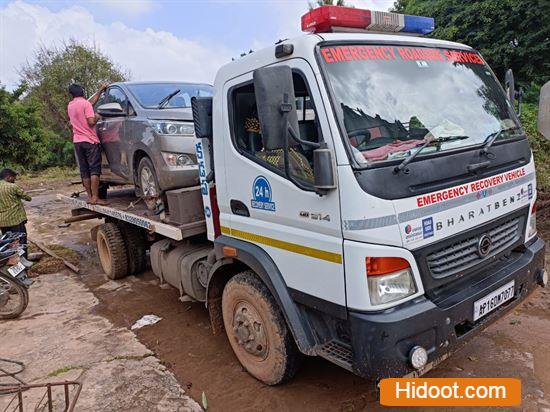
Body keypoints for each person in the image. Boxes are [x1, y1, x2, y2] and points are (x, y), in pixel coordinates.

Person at [67, 83, 109, 205]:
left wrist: (100, 91)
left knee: (84, 171)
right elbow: (91, 122)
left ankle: (90, 197)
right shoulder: (85, 104)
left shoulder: (71, 105)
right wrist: (97, 116)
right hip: (90, 141)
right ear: (82, 92)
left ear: (72, 94)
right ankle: (96, 198)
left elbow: (90, 103)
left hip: (77, 142)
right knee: (94, 170)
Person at [0, 168, 32, 248]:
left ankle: (7, 259)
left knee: (6, 241)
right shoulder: (13, 187)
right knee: (21, 240)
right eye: (14, 178)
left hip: (2, 221)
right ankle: (23, 259)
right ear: (8, 177)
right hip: (16, 220)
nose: (14, 180)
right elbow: (28, 198)